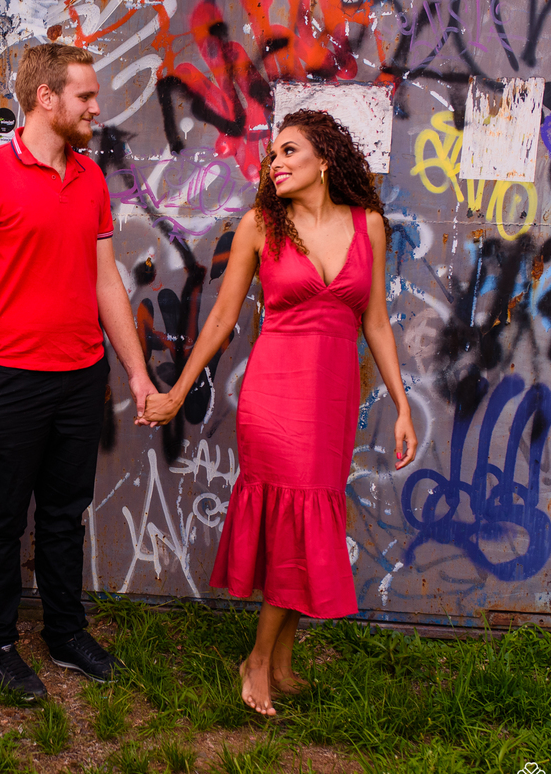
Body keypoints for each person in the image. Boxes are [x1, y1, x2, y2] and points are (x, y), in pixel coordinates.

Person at [142, 109, 418, 715]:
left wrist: (401, 404)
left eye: (290, 152)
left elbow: (374, 321)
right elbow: (220, 320)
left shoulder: (367, 225)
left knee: (310, 514)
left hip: (333, 396)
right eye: (273, 156)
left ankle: (284, 661)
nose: (277, 163)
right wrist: (179, 390)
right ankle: (259, 661)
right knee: (296, 516)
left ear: (325, 159)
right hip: (274, 392)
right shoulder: (260, 226)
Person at [0, 43, 158, 700]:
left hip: (79, 377)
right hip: (10, 380)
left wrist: (137, 374)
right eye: (86, 97)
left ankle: (66, 632)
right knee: (2, 517)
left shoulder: (90, 179)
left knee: (65, 513)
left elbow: (105, 284)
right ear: (47, 98)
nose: (98, 107)